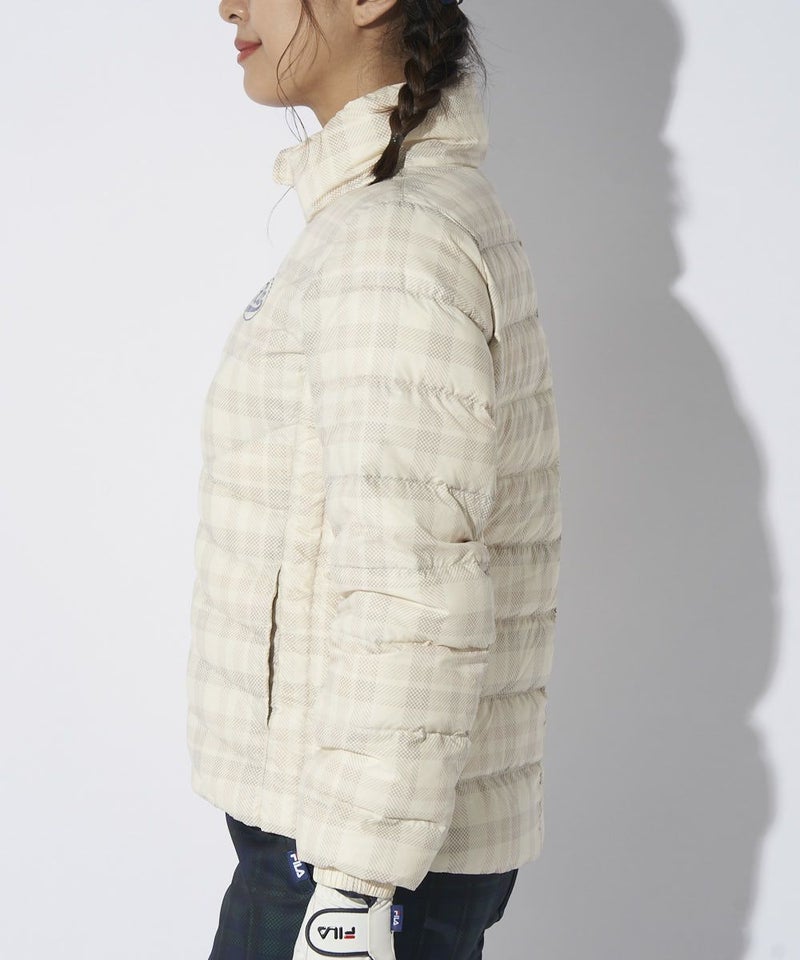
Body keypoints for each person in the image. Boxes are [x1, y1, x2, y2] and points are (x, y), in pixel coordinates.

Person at [186, 1, 562, 957]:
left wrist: (351, 895)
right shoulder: (391, 216)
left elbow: (412, 589)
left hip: (344, 863)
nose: (226, 4)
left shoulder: (392, 240)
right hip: (351, 845)